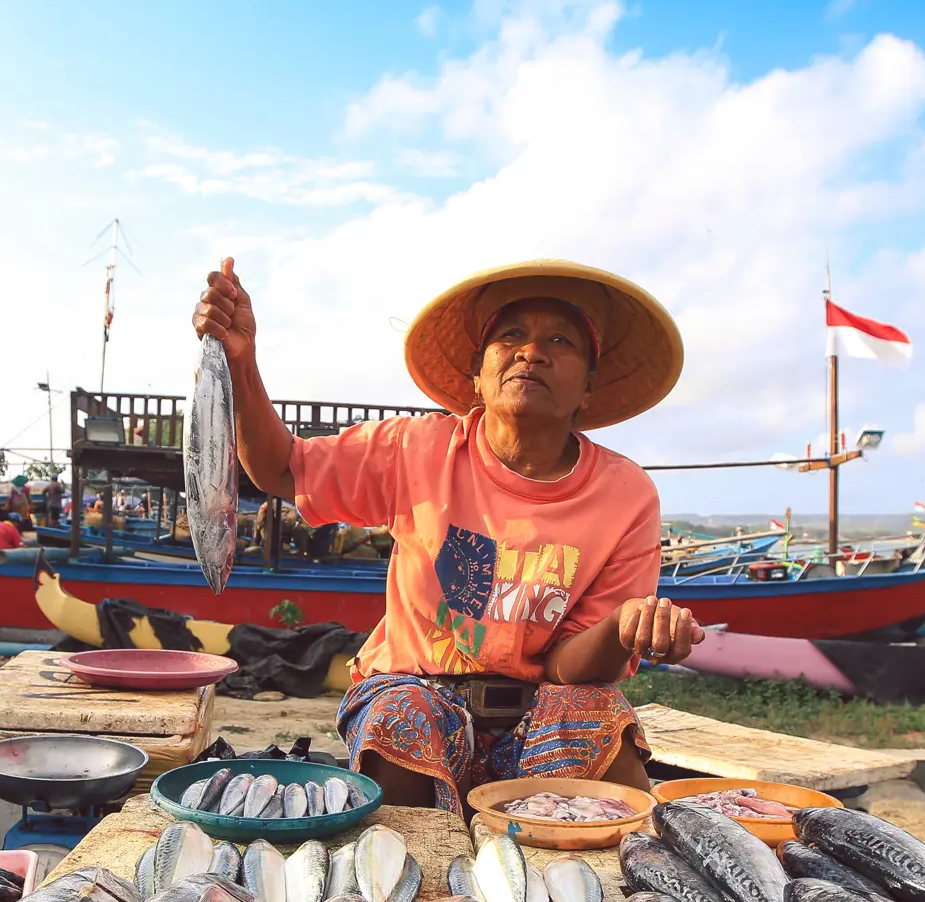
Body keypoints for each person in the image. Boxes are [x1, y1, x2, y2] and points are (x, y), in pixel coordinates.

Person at [193, 257, 697, 812]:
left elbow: (566, 669)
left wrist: (621, 629)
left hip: (538, 707)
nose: (532, 352)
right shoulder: (416, 449)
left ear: (588, 389)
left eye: (560, 340)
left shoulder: (626, 494)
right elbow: (281, 469)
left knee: (601, 724)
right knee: (404, 718)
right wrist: (241, 363)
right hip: (412, 688)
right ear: (477, 377)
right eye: (511, 337)